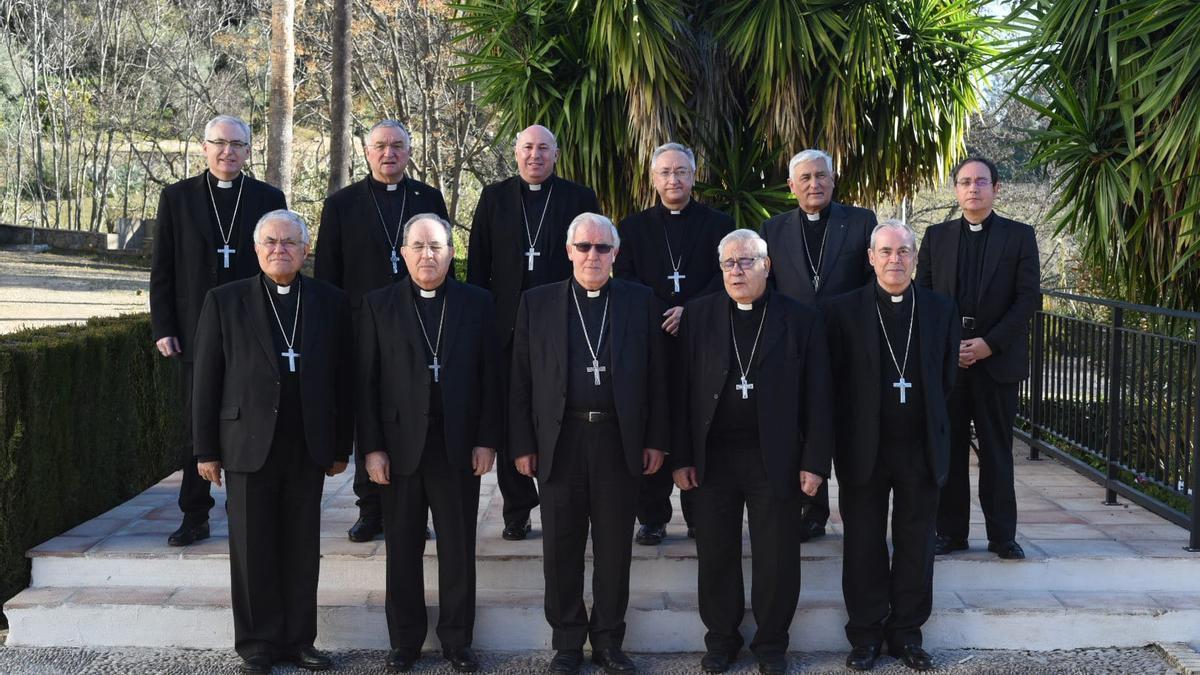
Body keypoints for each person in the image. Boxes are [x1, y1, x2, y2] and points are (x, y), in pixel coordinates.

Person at [192, 209, 352, 674]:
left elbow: (344, 379)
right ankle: (258, 643)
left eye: (289, 242)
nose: (280, 250)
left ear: (305, 250)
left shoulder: (330, 301)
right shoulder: (225, 300)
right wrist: (206, 449)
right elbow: (206, 380)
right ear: (256, 249)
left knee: (301, 547)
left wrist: (341, 445)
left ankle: (300, 640)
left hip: (307, 443)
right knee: (251, 546)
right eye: (271, 242)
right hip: (246, 442)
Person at [509, 213, 669, 674]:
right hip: (561, 439)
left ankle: (607, 641)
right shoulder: (536, 303)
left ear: (616, 254)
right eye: (584, 247)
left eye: (603, 248)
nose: (593, 256)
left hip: (619, 438)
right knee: (560, 546)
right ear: (568, 251)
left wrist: (656, 439)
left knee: (615, 546)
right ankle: (566, 643)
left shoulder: (640, 302)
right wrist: (522, 443)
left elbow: (659, 379)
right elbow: (519, 380)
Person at [671, 229, 833, 675]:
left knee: (777, 554)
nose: (737, 271)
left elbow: (819, 396)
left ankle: (771, 644)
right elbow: (681, 392)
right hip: (714, 457)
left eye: (746, 262)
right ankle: (721, 640)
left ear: (768, 265)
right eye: (729, 263)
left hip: (775, 457)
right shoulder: (700, 316)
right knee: (716, 552)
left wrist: (815, 462)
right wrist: (681, 457)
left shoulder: (800, 319)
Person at [356, 213, 503, 673]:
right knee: (402, 547)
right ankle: (405, 641)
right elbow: (366, 384)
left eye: (436, 246)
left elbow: (490, 378)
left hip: (458, 444)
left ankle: (457, 640)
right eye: (417, 246)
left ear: (451, 252)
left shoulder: (477, 303)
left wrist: (486, 439)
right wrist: (372, 449)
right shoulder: (378, 304)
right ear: (403, 254)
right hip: (399, 448)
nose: (427, 254)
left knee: (458, 546)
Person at [823, 220, 959, 672]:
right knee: (862, 542)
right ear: (870, 258)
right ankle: (864, 636)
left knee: (916, 542)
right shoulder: (842, 311)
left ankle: (906, 635)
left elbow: (946, 379)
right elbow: (833, 383)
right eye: (885, 252)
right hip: (865, 447)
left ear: (916, 259)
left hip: (919, 447)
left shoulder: (940, 309)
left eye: (903, 252)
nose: (894, 260)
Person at [150, 114, 287, 548]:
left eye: (237, 144)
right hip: (194, 328)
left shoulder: (268, 196)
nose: (228, 151)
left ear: (249, 151)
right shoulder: (177, 198)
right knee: (198, 420)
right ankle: (194, 514)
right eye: (219, 143)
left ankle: (248, 508)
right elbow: (163, 269)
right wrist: (164, 326)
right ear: (204, 147)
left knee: (251, 416)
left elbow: (281, 263)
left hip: (253, 327)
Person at [315, 119, 448, 544]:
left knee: (414, 412)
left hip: (420, 325)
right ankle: (369, 508)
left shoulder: (428, 198)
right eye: (380, 146)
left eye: (397, 146)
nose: (388, 153)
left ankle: (414, 510)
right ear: (367, 152)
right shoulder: (342, 204)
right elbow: (328, 273)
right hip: (360, 326)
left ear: (409, 152)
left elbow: (442, 259)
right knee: (366, 414)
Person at [467, 124, 601, 541]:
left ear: (556, 154)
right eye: (527, 147)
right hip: (506, 327)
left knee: (559, 414)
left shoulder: (580, 198)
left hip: (566, 326)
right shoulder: (494, 199)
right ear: (515, 152)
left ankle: (570, 502)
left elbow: (595, 259)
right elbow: (477, 267)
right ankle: (517, 508)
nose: (535, 155)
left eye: (543, 148)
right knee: (513, 418)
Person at [916, 156, 1040, 560]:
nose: (973, 188)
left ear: (995, 189)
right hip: (950, 364)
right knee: (947, 450)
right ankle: (950, 533)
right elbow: (926, 298)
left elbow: (1027, 300)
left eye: (981, 182)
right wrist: (951, 347)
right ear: (955, 189)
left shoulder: (1020, 236)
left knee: (997, 451)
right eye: (965, 182)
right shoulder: (936, 237)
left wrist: (990, 343)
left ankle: (1002, 535)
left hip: (997, 362)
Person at [615, 142, 734, 545]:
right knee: (654, 420)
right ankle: (652, 514)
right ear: (653, 179)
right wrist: (665, 309)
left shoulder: (719, 224)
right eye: (665, 172)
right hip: (652, 339)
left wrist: (690, 311)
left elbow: (726, 275)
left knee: (697, 421)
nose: (673, 179)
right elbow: (626, 278)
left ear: (694, 176)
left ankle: (699, 513)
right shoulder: (632, 228)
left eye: (681, 171)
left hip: (702, 339)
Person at [760, 148, 876, 542]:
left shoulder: (861, 222)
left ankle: (857, 509)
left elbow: (869, 285)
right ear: (792, 186)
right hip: (795, 350)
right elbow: (769, 291)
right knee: (802, 431)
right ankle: (811, 511)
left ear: (833, 178)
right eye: (805, 178)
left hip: (848, 347)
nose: (815, 184)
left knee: (847, 430)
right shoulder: (772, 229)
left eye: (821, 176)